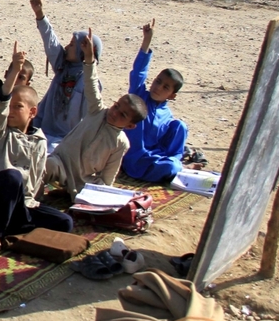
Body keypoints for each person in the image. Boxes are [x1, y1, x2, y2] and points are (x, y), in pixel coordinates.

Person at [0, 46, 71, 252]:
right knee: (12, 177)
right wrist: (14, 70)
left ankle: (10, 227)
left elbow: (36, 179)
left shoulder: (39, 140)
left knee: (64, 222)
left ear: (32, 112)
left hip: (19, 205)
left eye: (18, 107)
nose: (11, 111)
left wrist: (34, 203)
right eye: (10, 106)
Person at [44, 30, 148, 200]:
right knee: (44, 165)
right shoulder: (98, 111)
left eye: (122, 115)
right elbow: (91, 82)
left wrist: (99, 196)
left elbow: (108, 178)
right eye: (116, 106)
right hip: (60, 163)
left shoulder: (120, 144)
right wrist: (89, 58)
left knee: (96, 195)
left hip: (82, 181)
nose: (114, 113)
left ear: (130, 126)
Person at [29, 0, 102, 149]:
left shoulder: (89, 82)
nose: (67, 47)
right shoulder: (63, 67)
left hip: (67, 139)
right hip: (42, 130)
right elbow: (51, 44)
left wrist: (89, 58)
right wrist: (40, 15)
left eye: (72, 45)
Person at [122, 20, 189, 184]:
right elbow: (138, 72)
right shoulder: (139, 97)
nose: (157, 87)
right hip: (135, 156)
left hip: (156, 157)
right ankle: (174, 170)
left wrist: (168, 157)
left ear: (172, 96)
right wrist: (147, 41)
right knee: (168, 168)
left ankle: (176, 166)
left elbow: (167, 145)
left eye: (165, 87)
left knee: (180, 127)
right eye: (158, 81)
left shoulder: (167, 115)